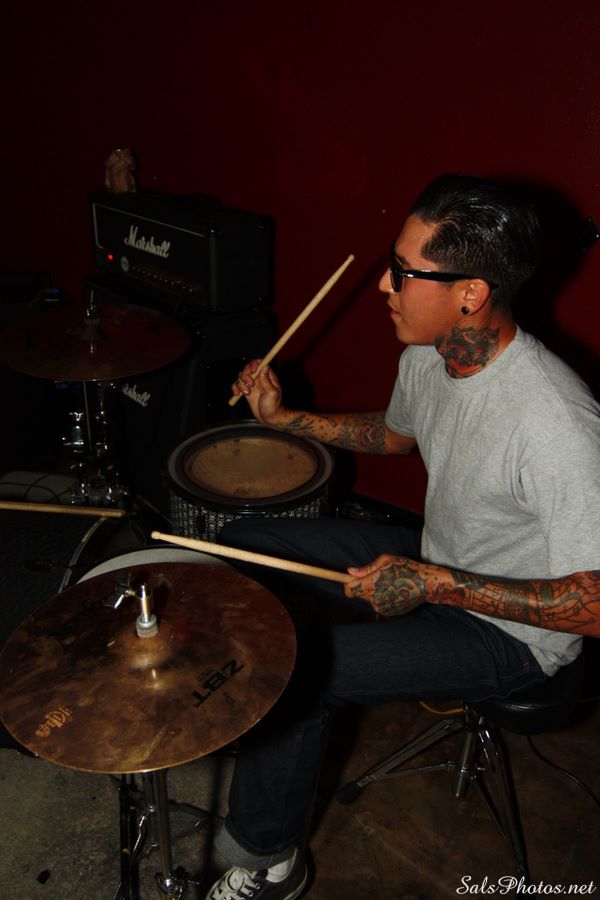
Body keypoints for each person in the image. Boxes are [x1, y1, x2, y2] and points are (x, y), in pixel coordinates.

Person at [204, 174, 600, 900]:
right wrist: (284, 418)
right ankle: (253, 705)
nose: (385, 284)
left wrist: (437, 585)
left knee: (297, 676)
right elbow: (393, 435)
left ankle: (269, 860)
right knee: (244, 540)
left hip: (514, 637)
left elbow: (596, 605)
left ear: (470, 293)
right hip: (437, 560)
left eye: (404, 272)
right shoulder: (430, 351)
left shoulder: (558, 427)